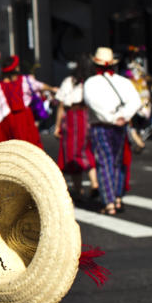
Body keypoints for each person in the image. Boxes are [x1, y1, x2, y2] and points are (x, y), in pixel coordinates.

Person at [83, 47, 141, 215]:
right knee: (117, 162)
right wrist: (123, 116)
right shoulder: (123, 82)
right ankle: (116, 197)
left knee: (104, 162)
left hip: (102, 125)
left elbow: (93, 103)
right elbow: (136, 101)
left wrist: (110, 117)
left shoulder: (91, 83)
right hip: (120, 125)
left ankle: (109, 202)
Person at [53, 56, 98, 200]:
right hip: (87, 116)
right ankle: (94, 182)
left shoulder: (69, 82)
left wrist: (57, 126)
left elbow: (61, 105)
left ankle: (79, 190)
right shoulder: (92, 83)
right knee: (87, 149)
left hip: (72, 117)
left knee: (72, 153)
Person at [0, 55, 49, 147]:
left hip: (13, 119)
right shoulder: (24, 80)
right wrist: (53, 89)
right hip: (22, 118)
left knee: (18, 145)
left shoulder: (1, 85)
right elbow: (40, 85)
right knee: (27, 144)